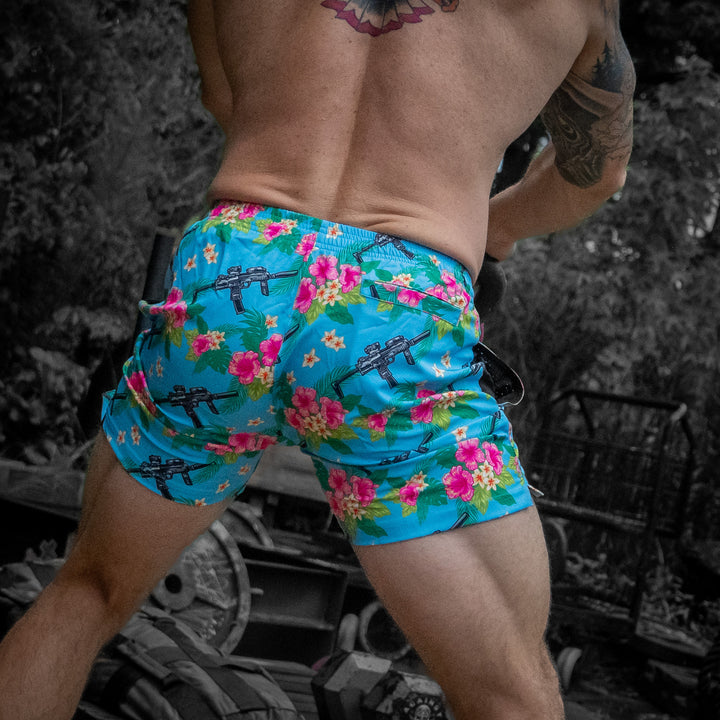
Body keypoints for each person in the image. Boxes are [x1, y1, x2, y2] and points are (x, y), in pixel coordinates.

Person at [0, 0, 635, 718]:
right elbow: (595, 174)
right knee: (510, 691)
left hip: (239, 264)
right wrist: (493, 227)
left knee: (84, 594)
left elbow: (225, 95)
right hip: (398, 297)